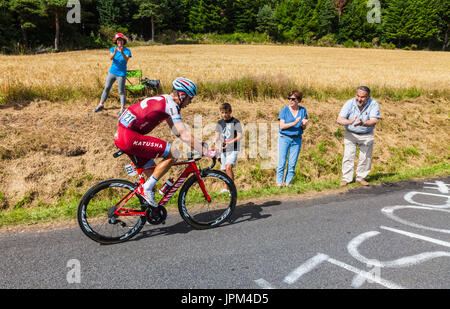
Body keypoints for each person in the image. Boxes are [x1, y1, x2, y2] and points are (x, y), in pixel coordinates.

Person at [114, 77, 217, 207]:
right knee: (173, 153)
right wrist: (205, 151)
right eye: (190, 98)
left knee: (151, 181)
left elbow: (175, 130)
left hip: (123, 134)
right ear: (182, 95)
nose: (190, 102)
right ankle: (145, 190)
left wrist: (197, 145)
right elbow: (182, 133)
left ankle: (151, 212)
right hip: (129, 137)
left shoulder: (165, 99)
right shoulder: (172, 106)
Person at [337, 86, 380, 186]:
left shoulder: (373, 104)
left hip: (366, 134)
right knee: (348, 156)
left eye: (362, 97)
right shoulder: (349, 103)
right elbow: (339, 119)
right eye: (357, 96)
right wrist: (349, 121)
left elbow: (374, 121)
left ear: (368, 97)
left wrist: (363, 123)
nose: (359, 99)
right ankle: (346, 179)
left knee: (365, 157)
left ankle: (361, 178)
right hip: (350, 134)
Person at [276, 90, 309, 188]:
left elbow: (303, 127)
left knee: (292, 163)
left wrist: (304, 125)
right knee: (281, 162)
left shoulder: (303, 110)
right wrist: (294, 123)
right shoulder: (284, 110)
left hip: (297, 139)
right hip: (284, 138)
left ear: (298, 100)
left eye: (293, 99)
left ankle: (287, 183)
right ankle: (279, 184)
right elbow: (281, 126)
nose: (291, 100)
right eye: (289, 98)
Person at [94, 33, 132, 117]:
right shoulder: (112, 49)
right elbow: (110, 58)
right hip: (112, 72)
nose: (119, 41)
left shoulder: (127, 50)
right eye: (118, 40)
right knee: (107, 88)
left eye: (121, 40)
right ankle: (101, 105)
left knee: (121, 91)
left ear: (123, 41)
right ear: (116, 41)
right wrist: (115, 52)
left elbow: (126, 60)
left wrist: (122, 52)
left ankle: (122, 109)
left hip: (121, 74)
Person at [214, 103, 243, 192]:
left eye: (226, 112)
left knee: (228, 167)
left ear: (230, 112)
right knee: (223, 170)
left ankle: (231, 189)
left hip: (233, 149)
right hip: (223, 150)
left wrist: (230, 142)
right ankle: (225, 188)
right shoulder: (220, 122)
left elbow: (240, 136)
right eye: (222, 113)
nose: (224, 115)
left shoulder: (235, 122)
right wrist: (215, 141)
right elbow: (217, 136)